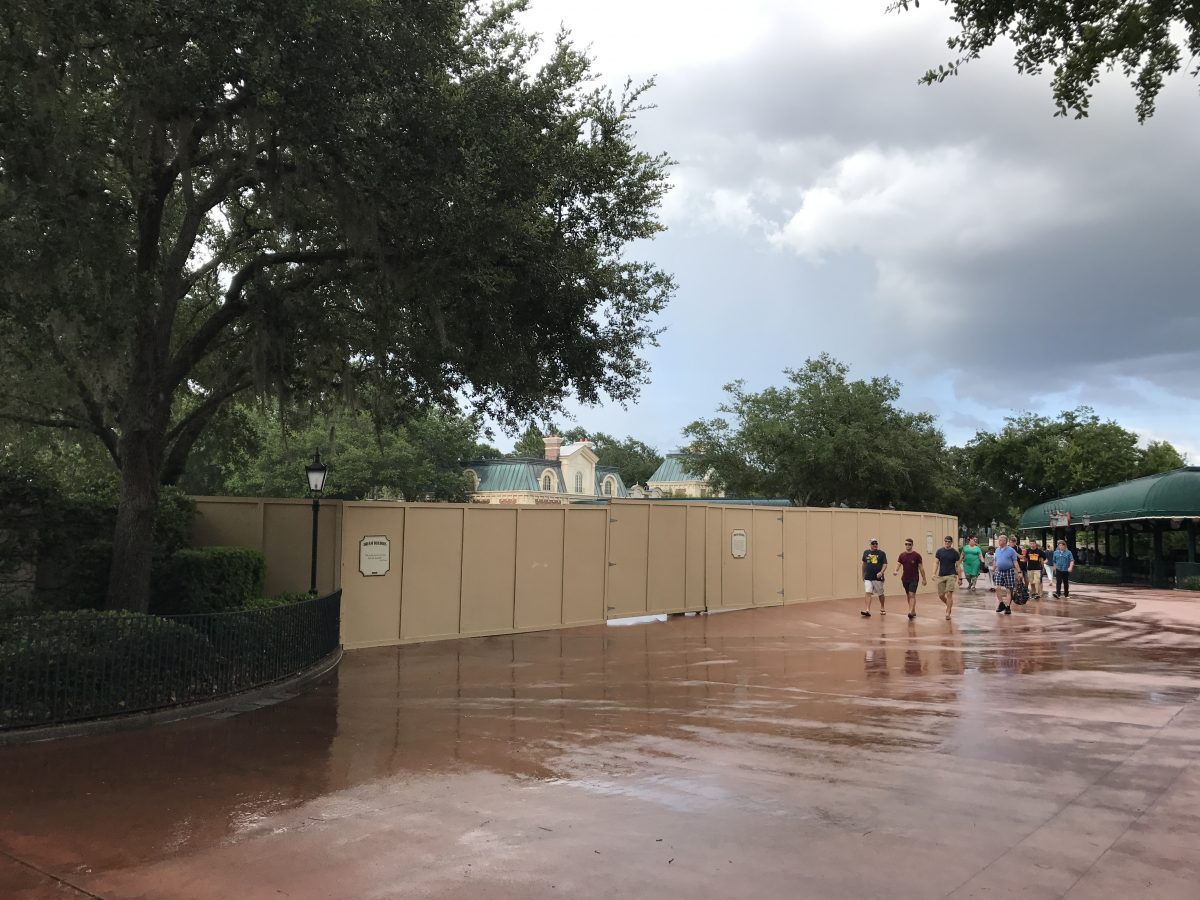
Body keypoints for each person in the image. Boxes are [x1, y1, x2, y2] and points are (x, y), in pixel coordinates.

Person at [893, 538, 926, 619]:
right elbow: (898, 564)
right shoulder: (902, 555)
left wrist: (924, 579)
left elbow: (921, 568)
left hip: (914, 578)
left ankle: (910, 611)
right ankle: (913, 610)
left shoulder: (917, 555)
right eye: (906, 544)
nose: (907, 546)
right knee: (908, 595)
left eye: (909, 544)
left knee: (912, 594)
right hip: (905, 578)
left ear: (912, 545)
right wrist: (896, 571)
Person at [934, 536, 962, 620]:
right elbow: (936, 563)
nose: (947, 543)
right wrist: (933, 573)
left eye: (948, 541)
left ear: (951, 542)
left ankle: (948, 612)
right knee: (941, 595)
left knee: (949, 593)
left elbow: (958, 566)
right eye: (945, 541)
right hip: (941, 575)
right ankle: (949, 604)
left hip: (951, 575)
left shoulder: (955, 553)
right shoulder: (939, 551)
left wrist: (960, 578)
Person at [992, 534, 1018, 614]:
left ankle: (1008, 607)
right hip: (999, 571)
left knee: (1008, 590)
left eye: (1000, 540)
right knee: (997, 587)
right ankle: (1001, 603)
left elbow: (1015, 562)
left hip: (1009, 571)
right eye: (998, 540)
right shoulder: (997, 550)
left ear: (1004, 541)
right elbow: (995, 560)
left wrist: (1019, 572)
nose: (998, 541)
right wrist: (993, 569)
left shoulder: (1011, 550)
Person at [861, 539, 887, 617]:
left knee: (880, 593)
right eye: (873, 543)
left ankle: (882, 607)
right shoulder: (866, 552)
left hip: (877, 578)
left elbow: (885, 564)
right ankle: (867, 610)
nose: (875, 545)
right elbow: (864, 564)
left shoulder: (881, 553)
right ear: (870, 545)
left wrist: (881, 572)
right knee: (868, 592)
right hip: (868, 577)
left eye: (876, 543)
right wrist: (863, 575)